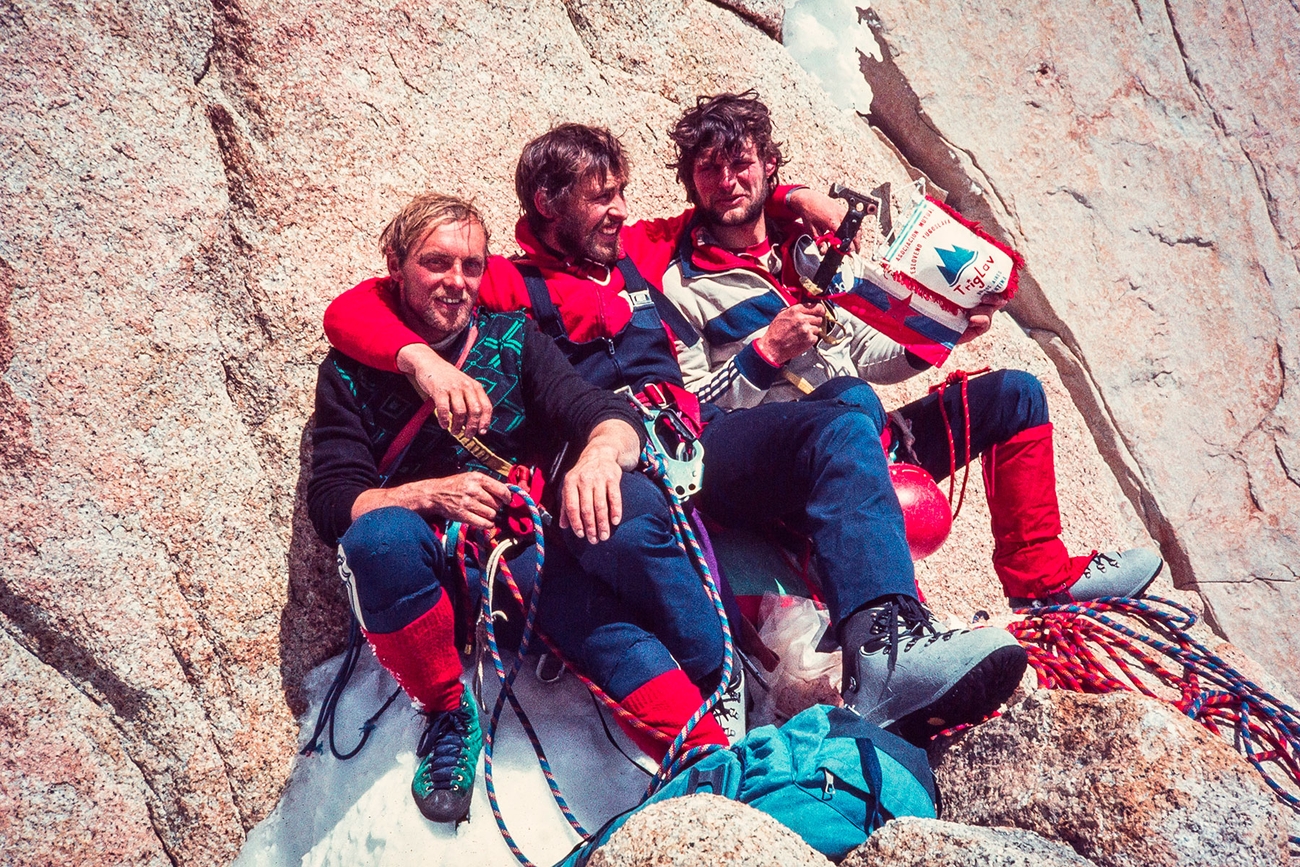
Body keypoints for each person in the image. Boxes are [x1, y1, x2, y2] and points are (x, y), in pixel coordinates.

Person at [323, 126, 1029, 747]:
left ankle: (884, 650)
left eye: (622, 193)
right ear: (549, 204)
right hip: (611, 454)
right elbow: (356, 307)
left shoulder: (632, 248)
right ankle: (712, 687)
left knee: (840, 425)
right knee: (621, 521)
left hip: (698, 432)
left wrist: (796, 198)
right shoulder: (508, 278)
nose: (620, 210)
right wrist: (415, 358)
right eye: (601, 196)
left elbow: (728, 208)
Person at [307, 193, 732, 824]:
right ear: (394, 265)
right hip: (427, 579)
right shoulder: (346, 373)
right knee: (380, 539)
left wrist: (598, 456)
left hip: (519, 554)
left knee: (591, 605)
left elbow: (598, 409)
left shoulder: (513, 339)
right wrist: (426, 494)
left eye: (472, 267)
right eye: (437, 263)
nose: (457, 283)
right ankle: (449, 712)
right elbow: (335, 501)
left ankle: (707, 750)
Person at [657, 90, 1164, 609]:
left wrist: (939, 337)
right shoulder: (681, 287)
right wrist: (765, 353)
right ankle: (898, 612)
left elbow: (865, 349)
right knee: (849, 395)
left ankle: (1040, 574)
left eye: (740, 164)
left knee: (1016, 394)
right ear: (690, 181)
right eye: (708, 169)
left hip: (868, 436)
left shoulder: (807, 251)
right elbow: (690, 418)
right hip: (788, 467)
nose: (726, 183)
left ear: (769, 165)